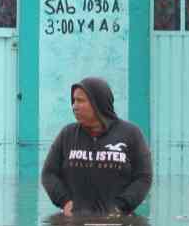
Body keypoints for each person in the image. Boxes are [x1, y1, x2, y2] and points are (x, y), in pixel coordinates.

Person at [41, 77, 153, 216]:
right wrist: (65, 202)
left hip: (117, 225)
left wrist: (120, 207)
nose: (74, 106)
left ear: (98, 103)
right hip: (74, 224)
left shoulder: (131, 134)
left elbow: (143, 177)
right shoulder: (67, 134)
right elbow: (49, 174)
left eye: (80, 101)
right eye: (74, 100)